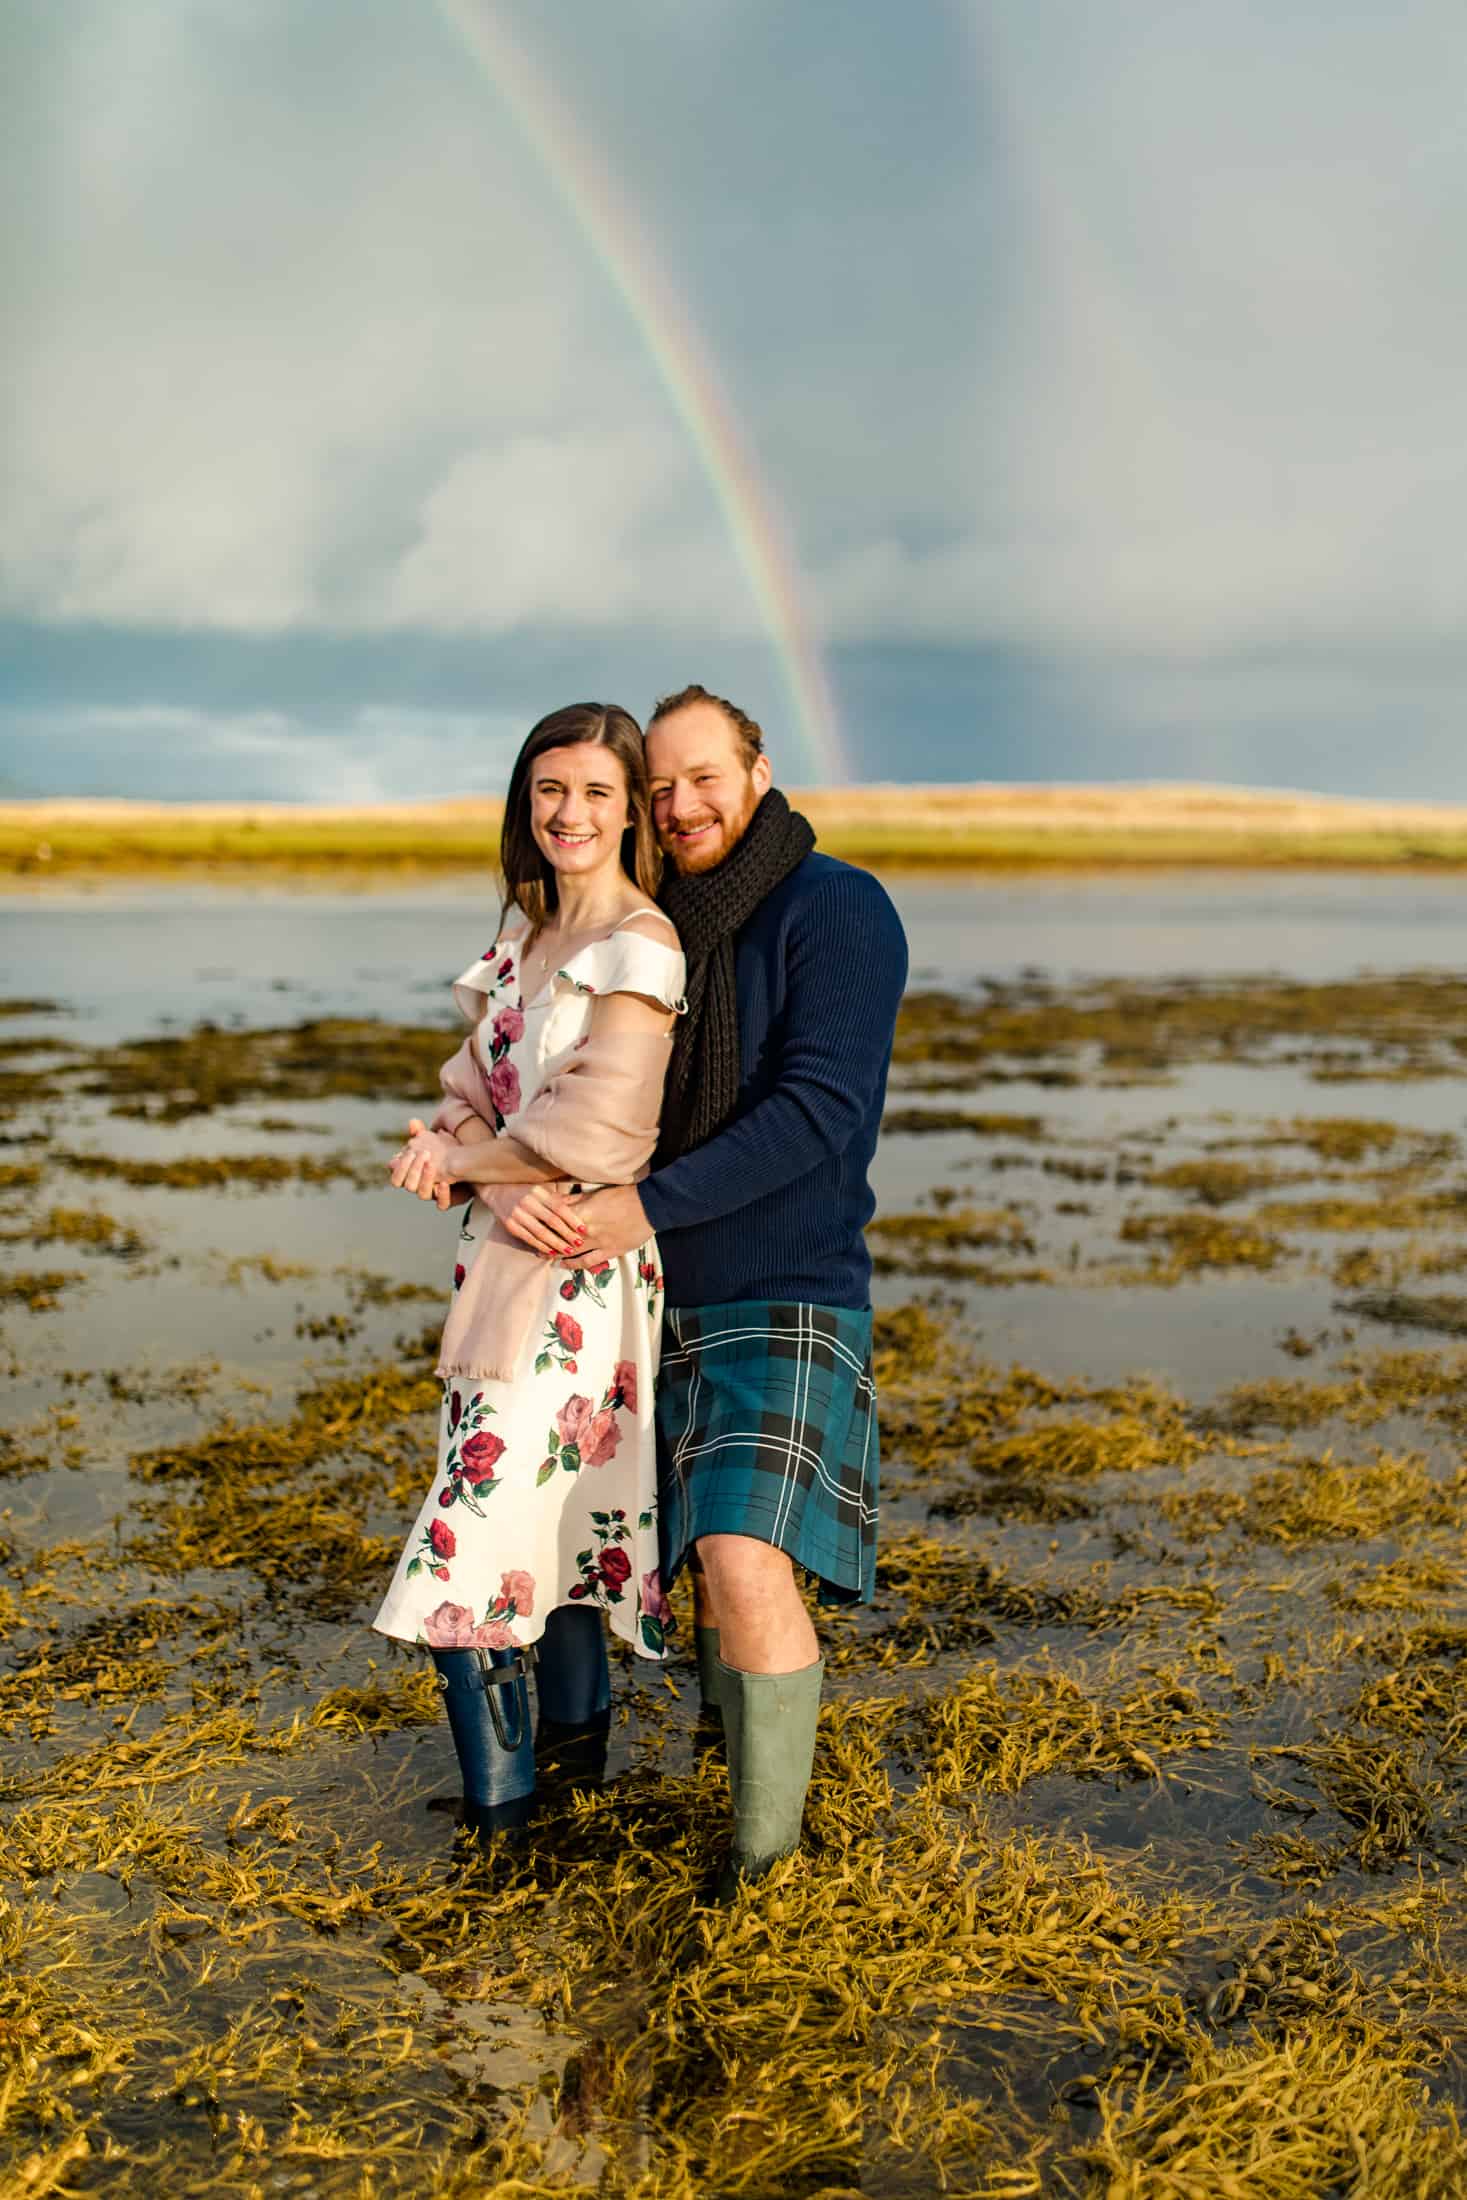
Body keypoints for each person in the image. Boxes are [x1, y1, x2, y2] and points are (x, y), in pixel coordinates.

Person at [567, 684, 908, 1889]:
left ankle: (764, 1868)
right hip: (655, 1296)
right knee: (699, 1571)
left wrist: (643, 1203)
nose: (680, 803)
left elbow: (820, 1109)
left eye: (702, 776)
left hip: (791, 1287)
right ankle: (732, 1762)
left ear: (758, 772)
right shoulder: (656, 931)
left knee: (742, 1551)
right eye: (658, 788)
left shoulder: (840, 908)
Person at [374, 702, 686, 1838]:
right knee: (547, 1529)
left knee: (468, 1536)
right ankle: (572, 1784)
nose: (570, 813)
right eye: (550, 790)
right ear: (527, 801)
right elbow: (468, 1089)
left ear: (631, 809)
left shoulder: (641, 948)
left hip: (578, 1280)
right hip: (505, 1257)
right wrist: (461, 1156)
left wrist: (469, 1164)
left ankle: (501, 1825)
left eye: (597, 792)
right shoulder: (522, 937)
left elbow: (606, 1140)